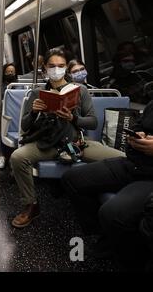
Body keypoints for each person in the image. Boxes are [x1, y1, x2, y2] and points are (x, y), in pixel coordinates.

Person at [9, 48, 125, 229]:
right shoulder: (36, 93)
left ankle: (125, 200)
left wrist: (73, 118)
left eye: (61, 66)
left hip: (76, 143)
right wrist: (33, 111)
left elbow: (93, 122)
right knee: (17, 157)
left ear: (66, 68)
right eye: (52, 66)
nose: (56, 70)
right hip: (47, 144)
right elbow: (24, 126)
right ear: (44, 69)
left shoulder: (81, 91)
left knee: (123, 159)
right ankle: (31, 205)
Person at [62, 100, 153, 271]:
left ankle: (130, 263)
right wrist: (135, 138)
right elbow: (137, 127)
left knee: (112, 213)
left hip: (149, 177)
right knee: (72, 179)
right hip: (134, 163)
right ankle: (104, 234)